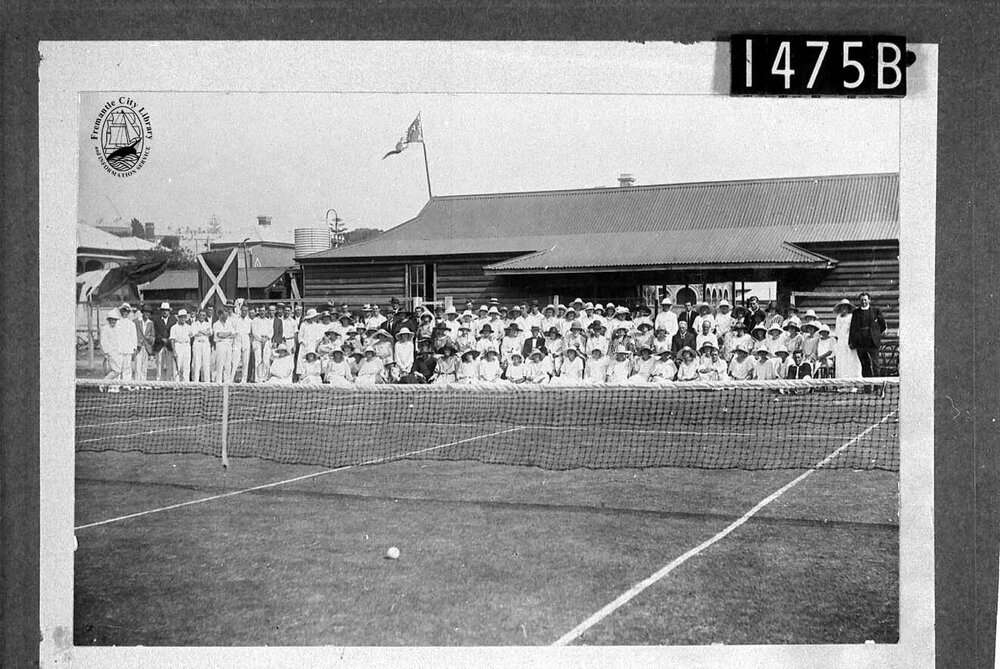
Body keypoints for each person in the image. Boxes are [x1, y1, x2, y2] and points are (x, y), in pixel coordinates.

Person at [848, 292, 887, 378]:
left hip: (872, 342)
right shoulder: (856, 312)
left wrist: (875, 334)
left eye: (865, 300)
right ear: (859, 301)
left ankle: (877, 385)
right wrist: (851, 342)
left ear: (869, 300)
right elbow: (853, 328)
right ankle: (867, 385)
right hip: (861, 342)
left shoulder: (876, 311)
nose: (863, 302)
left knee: (875, 364)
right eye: (862, 300)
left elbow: (883, 325)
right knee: (865, 365)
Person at [833, 298, 863, 379]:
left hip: (849, 339)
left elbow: (854, 329)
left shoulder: (851, 317)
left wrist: (852, 340)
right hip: (840, 341)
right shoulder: (838, 317)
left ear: (848, 308)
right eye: (842, 307)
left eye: (845, 307)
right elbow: (837, 330)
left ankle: (853, 377)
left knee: (851, 358)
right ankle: (842, 378)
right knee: (841, 359)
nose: (844, 308)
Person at [152, 302, 176, 381]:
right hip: (160, 344)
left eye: (166, 310)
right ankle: (159, 381)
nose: (165, 312)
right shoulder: (156, 320)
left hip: (169, 345)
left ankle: (168, 381)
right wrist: (162, 339)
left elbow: (174, 332)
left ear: (169, 311)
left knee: (169, 364)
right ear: (161, 311)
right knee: (159, 364)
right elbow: (155, 332)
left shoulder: (173, 320)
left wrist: (169, 340)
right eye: (163, 310)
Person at [212, 307, 236, 382]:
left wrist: (226, 335)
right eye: (224, 314)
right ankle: (218, 381)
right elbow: (220, 335)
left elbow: (234, 334)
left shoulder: (229, 323)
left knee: (228, 364)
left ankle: (227, 381)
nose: (226, 316)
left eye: (227, 314)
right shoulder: (216, 324)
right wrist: (228, 333)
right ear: (220, 315)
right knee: (220, 363)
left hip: (228, 344)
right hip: (220, 344)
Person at [169, 309, 194, 381]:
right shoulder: (174, 327)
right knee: (177, 365)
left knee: (186, 366)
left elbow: (191, 336)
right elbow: (172, 339)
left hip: (186, 346)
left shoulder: (189, 327)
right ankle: (176, 383)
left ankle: (186, 383)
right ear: (178, 318)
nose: (183, 319)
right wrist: (174, 351)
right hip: (178, 345)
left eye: (184, 317)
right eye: (181, 317)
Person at [231, 302, 253, 382]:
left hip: (246, 339)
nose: (244, 312)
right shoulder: (235, 320)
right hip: (237, 339)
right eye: (243, 310)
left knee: (245, 361)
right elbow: (233, 331)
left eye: (246, 311)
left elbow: (251, 333)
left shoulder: (250, 321)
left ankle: (244, 380)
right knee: (235, 360)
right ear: (240, 310)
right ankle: (231, 379)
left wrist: (251, 343)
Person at [100, 310, 125, 381]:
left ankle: (110, 385)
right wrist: (106, 352)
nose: (113, 321)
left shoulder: (118, 328)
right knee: (116, 371)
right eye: (112, 319)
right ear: (108, 320)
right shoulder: (105, 328)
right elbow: (103, 341)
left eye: (115, 319)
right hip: (110, 353)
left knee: (116, 370)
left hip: (117, 353)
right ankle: (103, 383)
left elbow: (120, 340)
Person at [251, 306, 274, 382]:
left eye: (263, 311)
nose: (262, 312)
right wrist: (260, 339)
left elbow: (271, 331)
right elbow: (254, 332)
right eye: (261, 311)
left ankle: (265, 378)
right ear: (259, 312)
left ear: (266, 311)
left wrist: (266, 338)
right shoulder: (255, 320)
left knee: (266, 360)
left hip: (266, 341)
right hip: (258, 341)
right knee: (258, 360)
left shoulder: (268, 321)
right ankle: (258, 379)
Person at [190, 308, 213, 382]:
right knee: (196, 363)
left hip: (205, 344)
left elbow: (210, 333)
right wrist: (204, 332)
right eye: (201, 315)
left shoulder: (208, 324)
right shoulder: (194, 324)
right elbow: (194, 334)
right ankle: (196, 381)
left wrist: (199, 330)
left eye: (203, 315)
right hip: (197, 343)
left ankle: (207, 382)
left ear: (205, 316)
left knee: (206, 363)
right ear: (198, 315)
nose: (202, 317)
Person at [134, 305, 155, 381]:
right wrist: (137, 343)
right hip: (138, 347)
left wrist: (149, 338)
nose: (147, 314)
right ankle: (137, 383)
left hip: (146, 347)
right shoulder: (136, 321)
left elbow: (153, 336)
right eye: (145, 312)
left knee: (144, 367)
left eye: (149, 312)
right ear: (142, 312)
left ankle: (143, 383)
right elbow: (133, 333)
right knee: (137, 366)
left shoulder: (150, 323)